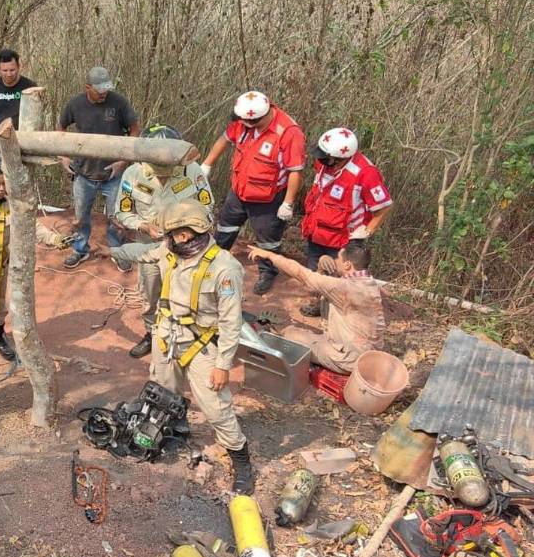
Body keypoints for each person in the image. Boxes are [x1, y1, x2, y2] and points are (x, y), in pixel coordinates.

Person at [96, 200, 255, 494]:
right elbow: (142, 252)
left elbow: (231, 321)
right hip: (166, 336)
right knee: (162, 393)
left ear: (187, 234)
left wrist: (223, 365)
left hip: (203, 346)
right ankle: (176, 428)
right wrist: (112, 251)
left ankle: (240, 457)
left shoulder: (224, 269)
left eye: (173, 234)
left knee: (216, 408)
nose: (168, 239)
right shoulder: (168, 251)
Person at [114, 124, 214, 359]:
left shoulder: (192, 170)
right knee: (150, 293)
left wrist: (185, 228)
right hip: (148, 244)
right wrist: (142, 226)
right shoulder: (133, 174)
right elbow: (122, 211)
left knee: (187, 292)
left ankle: (187, 336)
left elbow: (206, 204)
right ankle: (151, 333)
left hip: (185, 245)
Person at [200, 91, 305, 295]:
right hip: (239, 190)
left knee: (268, 240)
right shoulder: (243, 121)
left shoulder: (288, 132)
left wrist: (288, 203)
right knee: (226, 227)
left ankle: (267, 272)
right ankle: (214, 258)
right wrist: (207, 164)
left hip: (268, 198)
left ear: (263, 115)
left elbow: (295, 170)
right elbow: (224, 138)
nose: (246, 126)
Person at [296, 127, 392, 316]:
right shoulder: (326, 163)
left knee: (341, 276)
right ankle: (318, 302)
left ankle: (340, 311)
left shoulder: (365, 173)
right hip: (318, 231)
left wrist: (366, 231)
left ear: (340, 157)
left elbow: (384, 206)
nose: (320, 160)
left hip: (344, 237)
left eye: (325, 157)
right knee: (316, 269)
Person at [0, 160, 70, 361]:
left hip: (0, 265)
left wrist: (55, 239)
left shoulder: (11, 206)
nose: (2, 188)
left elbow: (32, 226)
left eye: (4, 183)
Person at [248, 242, 384, 374]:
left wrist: (270, 255)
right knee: (322, 305)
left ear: (347, 265)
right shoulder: (369, 283)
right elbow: (326, 286)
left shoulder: (343, 288)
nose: (336, 260)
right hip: (367, 355)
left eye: (338, 259)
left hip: (348, 360)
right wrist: (322, 265)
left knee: (290, 333)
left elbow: (301, 273)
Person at [58, 66, 140, 270]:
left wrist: (123, 161)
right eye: (99, 90)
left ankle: (117, 250)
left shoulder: (119, 102)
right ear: (88, 87)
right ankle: (79, 249)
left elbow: (135, 130)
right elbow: (60, 129)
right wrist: (63, 157)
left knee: (117, 217)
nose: (104, 93)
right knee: (81, 216)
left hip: (113, 173)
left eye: (106, 89)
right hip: (84, 172)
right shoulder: (75, 104)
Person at [0, 49, 37, 129]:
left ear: (18, 67)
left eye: (12, 70)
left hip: (22, 135)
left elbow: (35, 115)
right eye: (5, 70)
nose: (9, 74)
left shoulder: (30, 86)